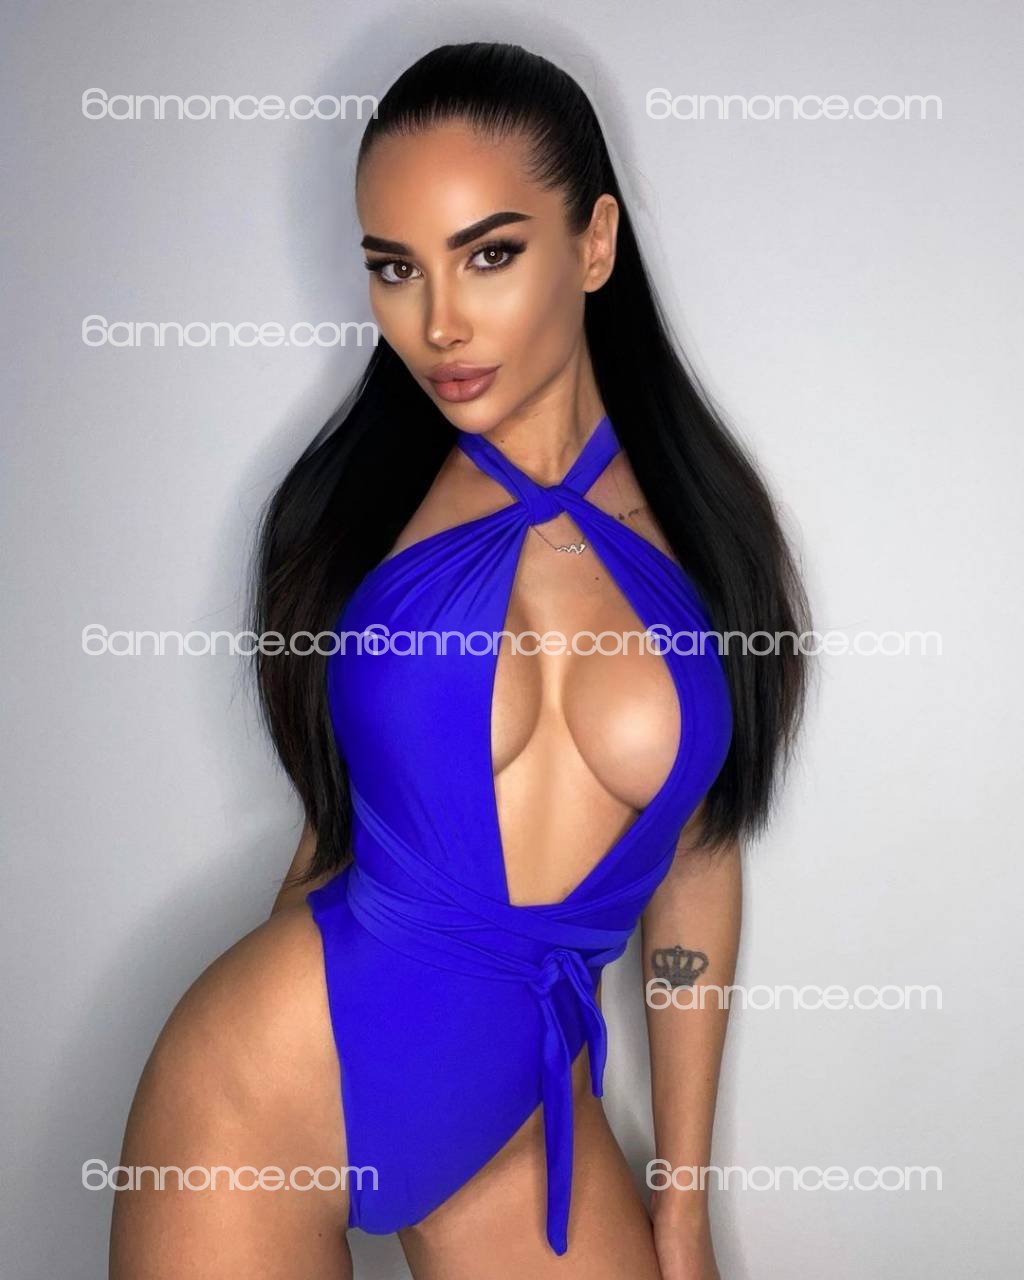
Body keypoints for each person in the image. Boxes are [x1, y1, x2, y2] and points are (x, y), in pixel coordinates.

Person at [110, 41, 810, 1280]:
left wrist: (681, 1208)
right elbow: (341, 825)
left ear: (593, 244)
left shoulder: (706, 534)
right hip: (261, 1095)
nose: (436, 322)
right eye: (395, 268)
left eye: (488, 254)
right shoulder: (360, 515)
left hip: (523, 1117)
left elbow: (698, 872)